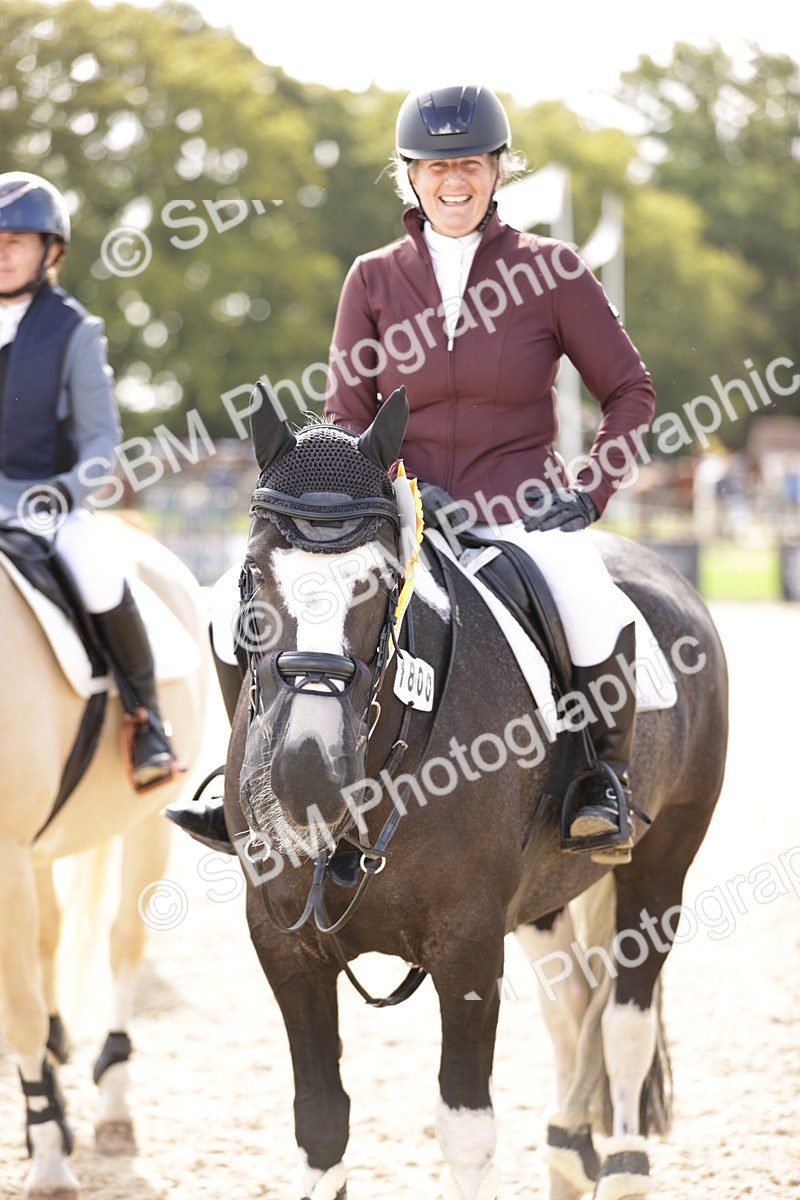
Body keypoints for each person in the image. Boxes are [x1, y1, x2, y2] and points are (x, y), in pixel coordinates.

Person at [171, 83, 656, 863]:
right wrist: (391, 485)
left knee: (591, 602)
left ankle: (603, 779)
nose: (452, 181)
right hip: (400, 512)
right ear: (410, 177)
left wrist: (591, 486)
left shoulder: (554, 269)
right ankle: (244, 780)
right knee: (237, 609)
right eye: (435, 167)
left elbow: (630, 390)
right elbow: (343, 418)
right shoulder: (372, 278)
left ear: (497, 170)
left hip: (520, 510)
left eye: (468, 163)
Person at [0, 171, 180, 791]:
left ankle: (148, 720)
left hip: (44, 501)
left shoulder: (73, 329)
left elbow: (102, 439)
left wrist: (70, 490)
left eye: (17, 239)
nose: (2, 251)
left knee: (99, 575)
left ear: (50, 250)